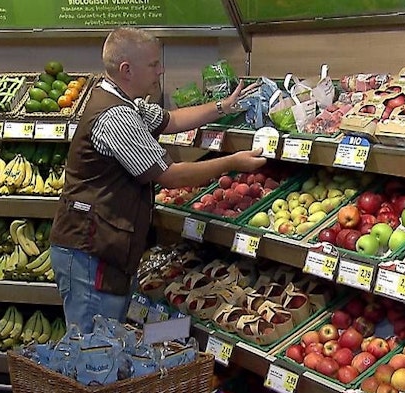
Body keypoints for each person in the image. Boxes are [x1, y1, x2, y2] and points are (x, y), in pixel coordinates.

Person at [49, 27, 266, 332]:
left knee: (109, 342)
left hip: (102, 247)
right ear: (127, 70)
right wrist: (232, 162)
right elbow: (170, 176)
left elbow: (172, 120)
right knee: (94, 351)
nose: (160, 70)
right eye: (153, 64)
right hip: (91, 253)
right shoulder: (116, 117)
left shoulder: (125, 102)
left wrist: (222, 107)